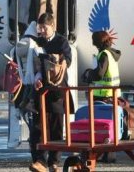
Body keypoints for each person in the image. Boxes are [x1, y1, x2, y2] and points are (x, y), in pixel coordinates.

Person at [29, 13, 73, 172]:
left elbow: (68, 59)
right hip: (41, 90)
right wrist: (37, 77)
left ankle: (54, 162)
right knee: (38, 128)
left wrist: (58, 62)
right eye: (39, 28)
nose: (41, 30)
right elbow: (34, 64)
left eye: (44, 27)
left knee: (56, 127)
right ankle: (39, 161)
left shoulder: (61, 41)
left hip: (57, 91)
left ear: (52, 26)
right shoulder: (37, 42)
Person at [82, 30, 121, 163]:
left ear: (97, 41)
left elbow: (99, 74)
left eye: (93, 40)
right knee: (109, 125)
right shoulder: (111, 54)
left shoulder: (104, 54)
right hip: (111, 94)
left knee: (101, 126)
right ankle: (109, 155)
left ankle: (105, 154)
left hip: (103, 95)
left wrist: (88, 74)